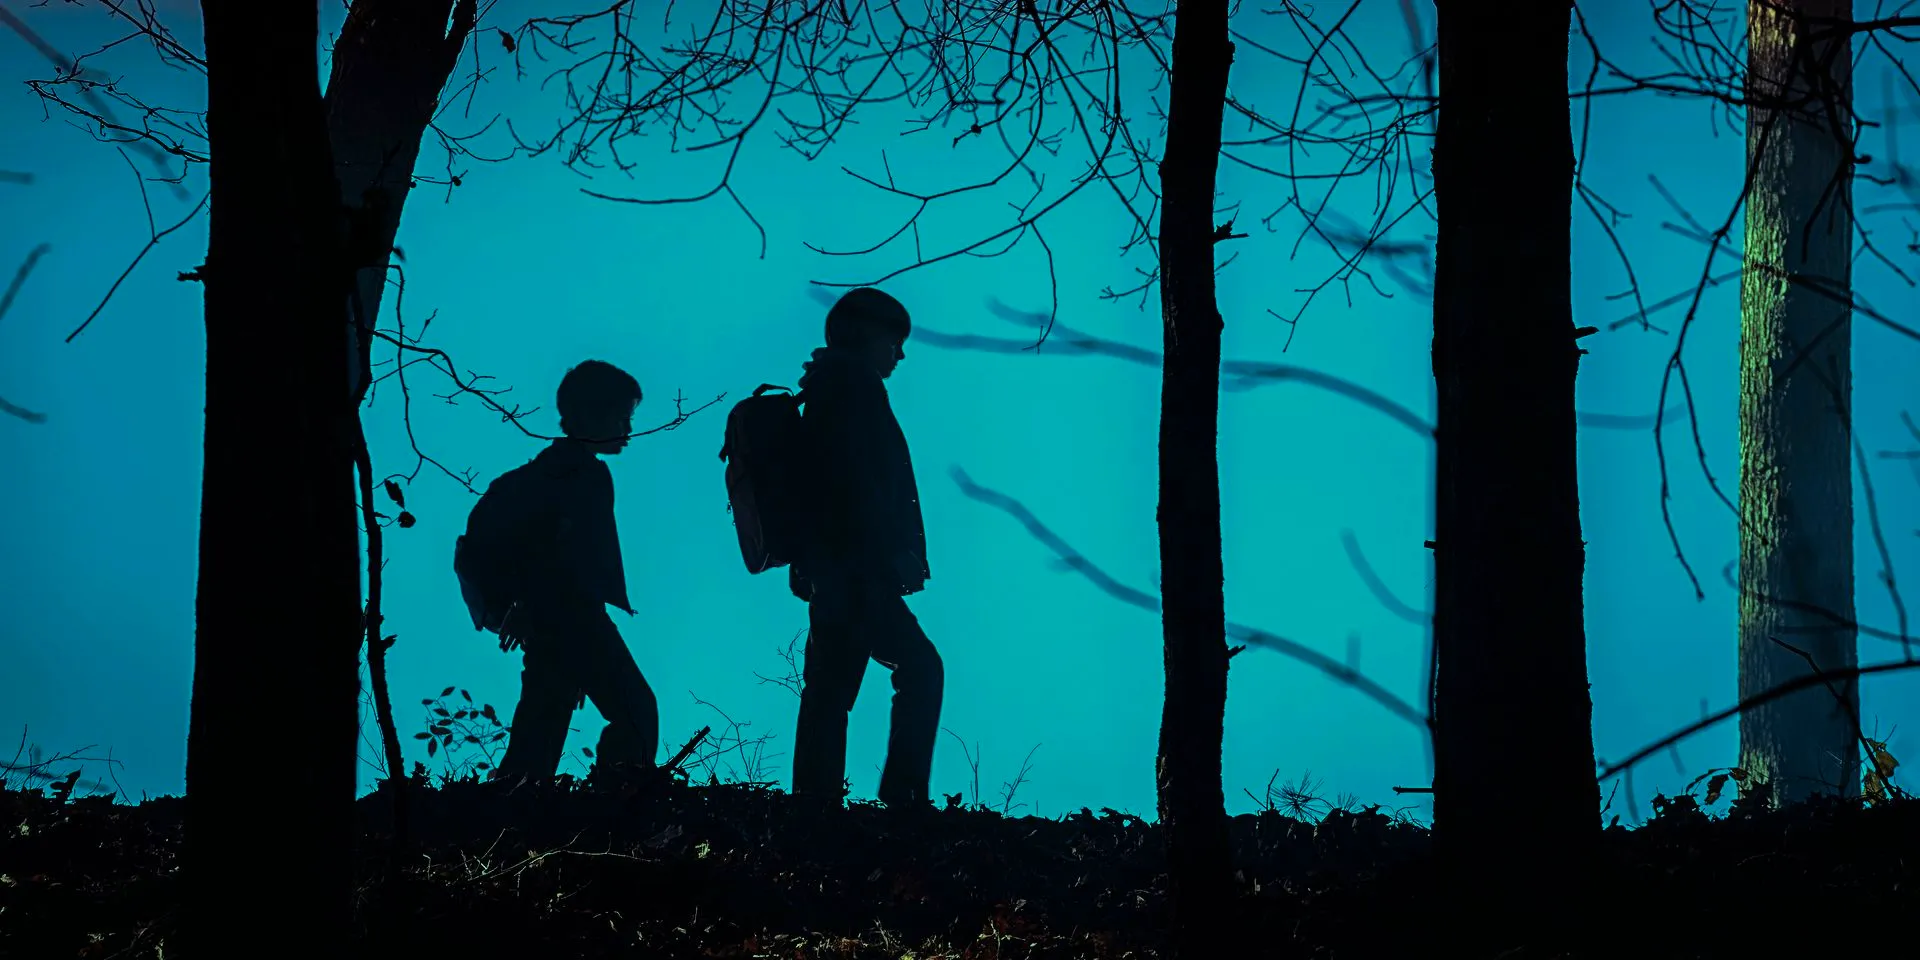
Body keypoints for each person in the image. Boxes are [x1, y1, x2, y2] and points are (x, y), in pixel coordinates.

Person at [788, 287, 943, 810]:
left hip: (833, 567)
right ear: (866, 335)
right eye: (894, 340)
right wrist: (887, 552)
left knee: (830, 688)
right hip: (854, 568)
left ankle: (814, 803)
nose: (899, 354)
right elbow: (857, 483)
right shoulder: (854, 387)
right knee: (920, 668)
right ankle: (901, 797)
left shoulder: (830, 387)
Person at [482, 359, 660, 782]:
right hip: (571, 616)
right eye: (622, 416)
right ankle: (615, 812)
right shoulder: (582, 474)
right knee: (636, 713)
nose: (627, 429)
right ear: (590, 414)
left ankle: (511, 823)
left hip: (550, 618)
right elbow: (556, 553)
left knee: (539, 732)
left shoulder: (550, 473)